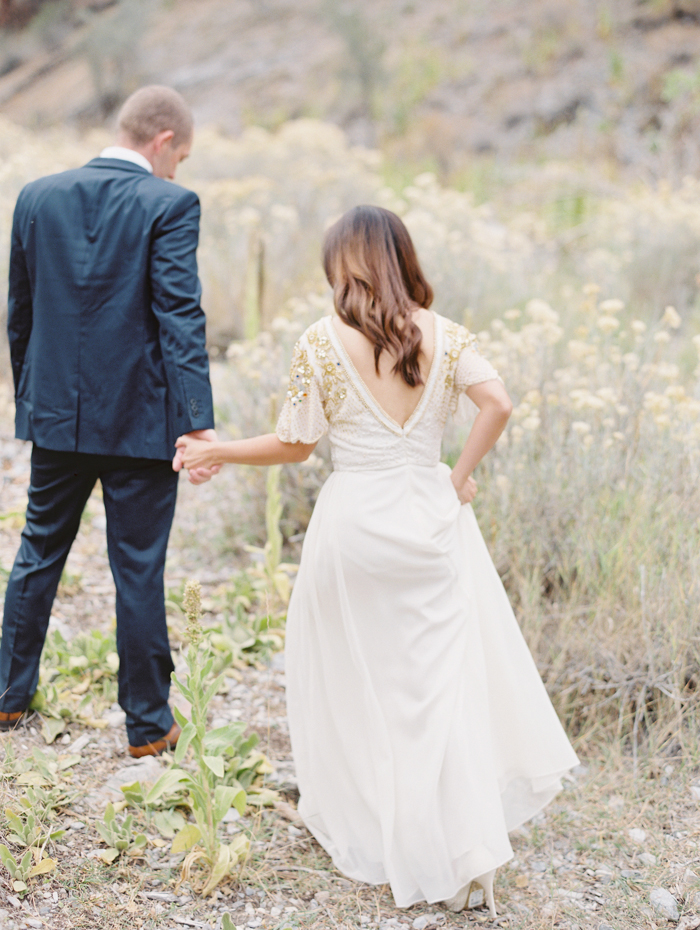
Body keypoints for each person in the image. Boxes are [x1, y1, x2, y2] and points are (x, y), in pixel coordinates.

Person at [174, 205, 579, 914]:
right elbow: (499, 403)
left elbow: (296, 445)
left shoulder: (320, 342)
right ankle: (460, 848)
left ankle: (384, 831)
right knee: (438, 690)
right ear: (401, 257)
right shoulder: (446, 336)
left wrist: (218, 450)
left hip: (355, 524)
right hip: (430, 519)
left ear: (344, 265)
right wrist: (457, 476)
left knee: (359, 685)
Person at [2, 85, 219, 757]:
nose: (177, 170)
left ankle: (7, 698)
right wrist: (198, 423)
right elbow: (180, 318)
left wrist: (32, 403)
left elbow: (21, 314)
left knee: (38, 552)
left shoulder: (37, 196)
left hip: (58, 421)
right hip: (142, 426)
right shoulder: (171, 204)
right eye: (178, 156)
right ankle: (148, 724)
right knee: (137, 568)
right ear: (160, 143)